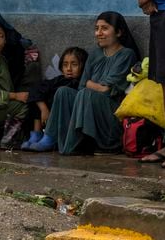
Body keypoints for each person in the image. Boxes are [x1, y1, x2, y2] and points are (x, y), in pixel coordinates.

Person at [46, 12, 139, 155]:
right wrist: (92, 85)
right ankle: (53, 140)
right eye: (97, 28)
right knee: (63, 92)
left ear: (119, 32)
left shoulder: (126, 54)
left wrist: (91, 84)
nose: (98, 33)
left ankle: (81, 144)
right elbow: (82, 84)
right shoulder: (95, 53)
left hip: (111, 113)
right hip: (89, 103)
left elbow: (107, 90)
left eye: (104, 28)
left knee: (86, 94)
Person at [20, 46, 87, 152]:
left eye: (74, 64)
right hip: (45, 118)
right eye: (65, 65)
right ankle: (36, 134)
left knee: (59, 93)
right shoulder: (58, 80)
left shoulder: (81, 84)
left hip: (61, 124)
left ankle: (49, 138)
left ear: (83, 66)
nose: (69, 68)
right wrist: (43, 109)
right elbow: (35, 90)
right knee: (38, 97)